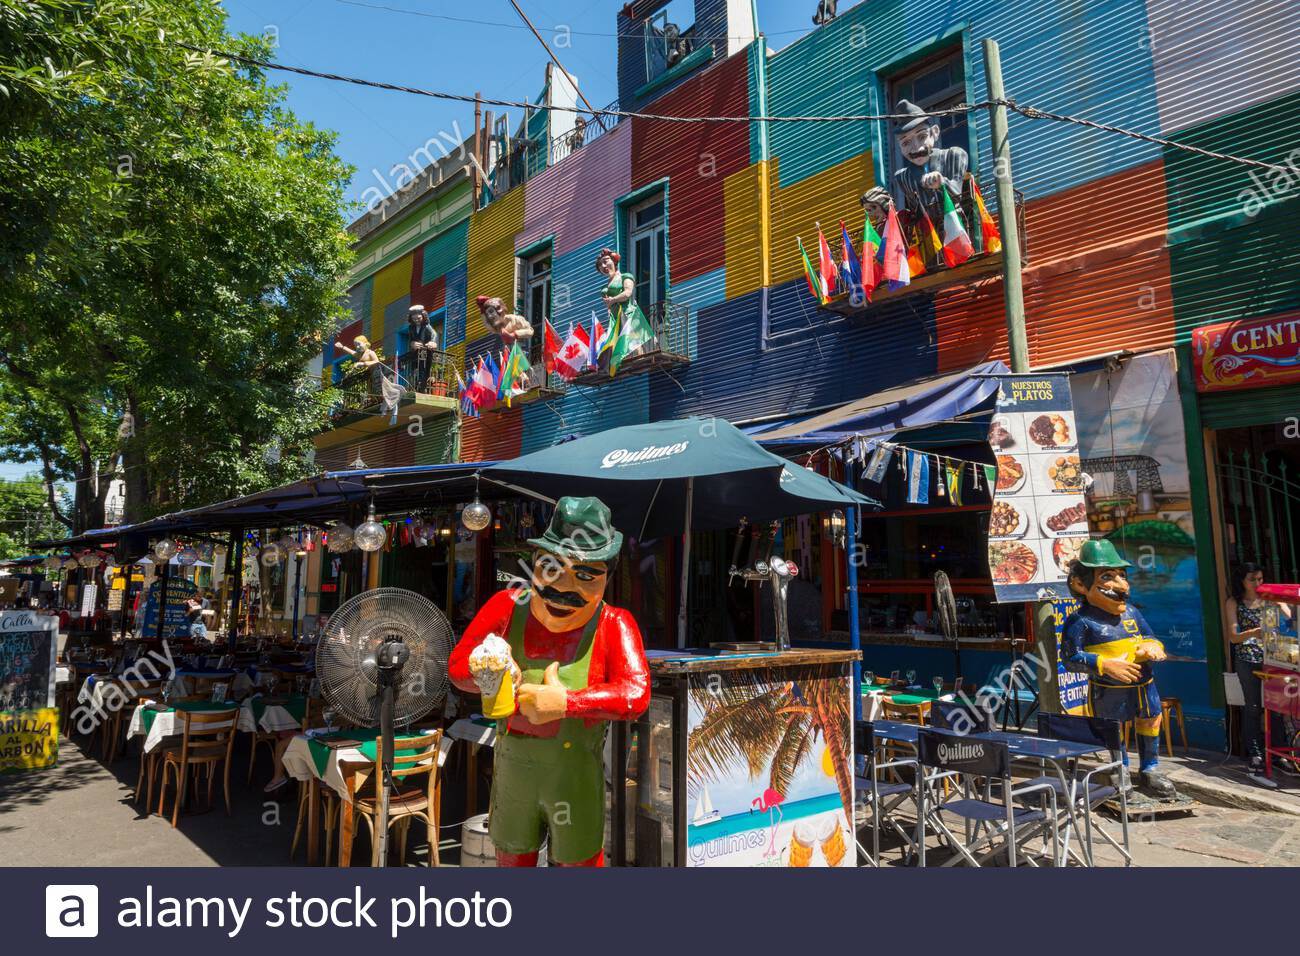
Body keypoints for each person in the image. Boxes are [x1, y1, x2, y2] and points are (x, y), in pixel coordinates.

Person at [449, 496, 650, 866]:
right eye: (551, 568)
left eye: (585, 575)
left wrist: (567, 703)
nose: (563, 586)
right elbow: (458, 666)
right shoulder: (507, 606)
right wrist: (485, 672)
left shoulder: (614, 623)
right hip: (513, 776)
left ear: (608, 575)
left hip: (573, 781)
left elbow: (635, 694)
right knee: (511, 863)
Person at [1061, 539, 1179, 799]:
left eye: (1122, 576)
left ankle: (1150, 768)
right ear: (1081, 585)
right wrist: (1104, 664)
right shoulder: (1080, 621)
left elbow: (1150, 637)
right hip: (1108, 690)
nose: (1121, 584)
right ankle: (1120, 770)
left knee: (1151, 720)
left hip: (1144, 685)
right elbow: (1069, 657)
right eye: (1107, 576)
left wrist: (1152, 648)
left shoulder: (1132, 613)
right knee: (1113, 728)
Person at [1224, 562, 1292, 776]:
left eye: (1260, 579)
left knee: (1277, 706)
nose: (1257, 583)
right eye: (1252, 579)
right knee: (1252, 706)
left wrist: (1283, 603)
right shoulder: (1234, 602)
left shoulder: (1270, 599)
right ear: (1242, 581)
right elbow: (1233, 637)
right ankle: (1255, 753)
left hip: (1274, 658)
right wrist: (1253, 633)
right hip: (1248, 657)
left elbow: (1290, 618)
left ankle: (1278, 752)